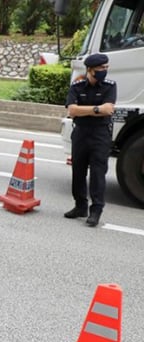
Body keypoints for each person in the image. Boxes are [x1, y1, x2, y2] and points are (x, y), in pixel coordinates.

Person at [64, 53, 116, 227]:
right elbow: (71, 110)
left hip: (101, 134)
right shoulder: (77, 86)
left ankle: (96, 211)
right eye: (101, 68)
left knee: (97, 173)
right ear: (90, 70)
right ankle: (80, 206)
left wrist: (84, 109)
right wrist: (97, 109)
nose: (105, 71)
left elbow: (108, 109)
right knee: (78, 171)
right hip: (81, 133)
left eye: (106, 68)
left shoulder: (110, 86)